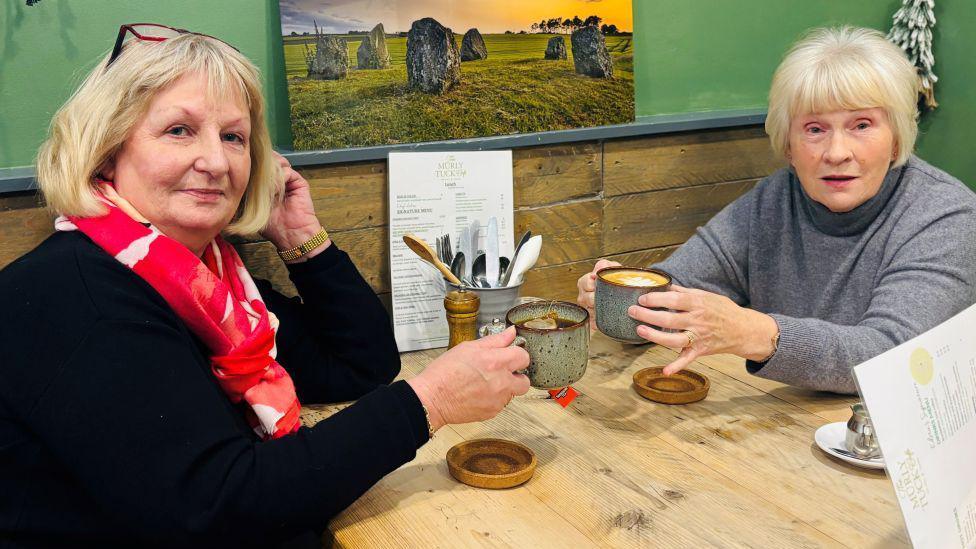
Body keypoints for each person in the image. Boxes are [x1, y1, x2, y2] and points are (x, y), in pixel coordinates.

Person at [0, 25, 529, 548]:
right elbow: (219, 507)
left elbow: (361, 366)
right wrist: (430, 402)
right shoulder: (78, 296)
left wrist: (302, 238)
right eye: (178, 130)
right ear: (108, 150)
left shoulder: (209, 282)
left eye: (234, 137)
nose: (215, 162)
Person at [577, 26, 976, 394]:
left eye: (862, 125)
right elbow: (681, 283)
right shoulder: (773, 199)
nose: (837, 153)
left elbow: (891, 358)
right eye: (815, 129)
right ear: (788, 145)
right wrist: (618, 302)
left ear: (896, 139)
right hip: (784, 431)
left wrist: (754, 333)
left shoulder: (946, 217)